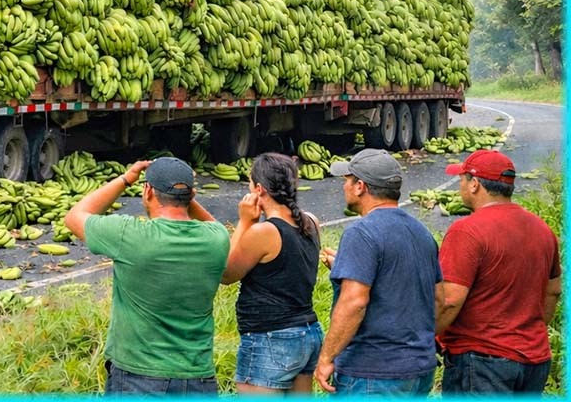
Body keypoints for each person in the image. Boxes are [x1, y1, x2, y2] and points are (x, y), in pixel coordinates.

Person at [64, 157, 230, 395]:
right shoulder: (216, 238)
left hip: (138, 377)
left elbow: (76, 215)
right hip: (198, 378)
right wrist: (186, 196)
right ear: (192, 195)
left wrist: (125, 179)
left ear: (148, 191)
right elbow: (214, 226)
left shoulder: (129, 235)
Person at [313, 148, 441, 395]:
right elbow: (438, 298)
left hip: (373, 372)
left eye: (347, 180)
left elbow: (355, 302)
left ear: (360, 186)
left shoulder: (361, 232)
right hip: (419, 369)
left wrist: (327, 357)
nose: (344, 186)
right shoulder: (422, 232)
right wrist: (346, 265)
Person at [436, 149, 561, 393]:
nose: (459, 185)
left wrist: (426, 338)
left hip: (483, 361)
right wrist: (523, 331)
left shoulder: (466, 231)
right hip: (534, 359)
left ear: (474, 185)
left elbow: (449, 301)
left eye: (462, 179)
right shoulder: (542, 230)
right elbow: (553, 291)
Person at [221, 152, 322, 394]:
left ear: (259, 189)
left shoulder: (264, 232)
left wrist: (245, 222)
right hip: (307, 333)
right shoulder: (311, 222)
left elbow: (226, 274)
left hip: (270, 339)